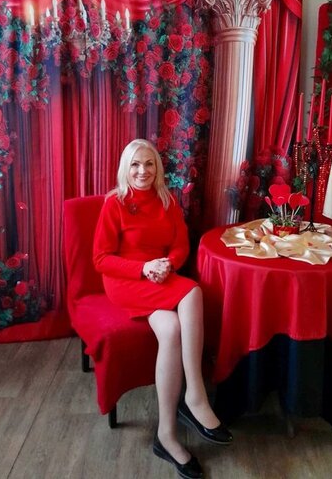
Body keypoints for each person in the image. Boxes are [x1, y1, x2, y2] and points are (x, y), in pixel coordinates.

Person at [93, 138, 232, 479]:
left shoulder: (167, 201)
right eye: (135, 164)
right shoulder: (114, 203)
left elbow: (181, 245)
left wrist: (168, 264)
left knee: (171, 329)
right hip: (126, 280)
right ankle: (195, 395)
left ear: (157, 168)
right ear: (125, 168)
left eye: (149, 164)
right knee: (193, 291)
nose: (142, 171)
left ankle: (166, 436)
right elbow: (101, 259)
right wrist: (143, 268)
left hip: (159, 276)